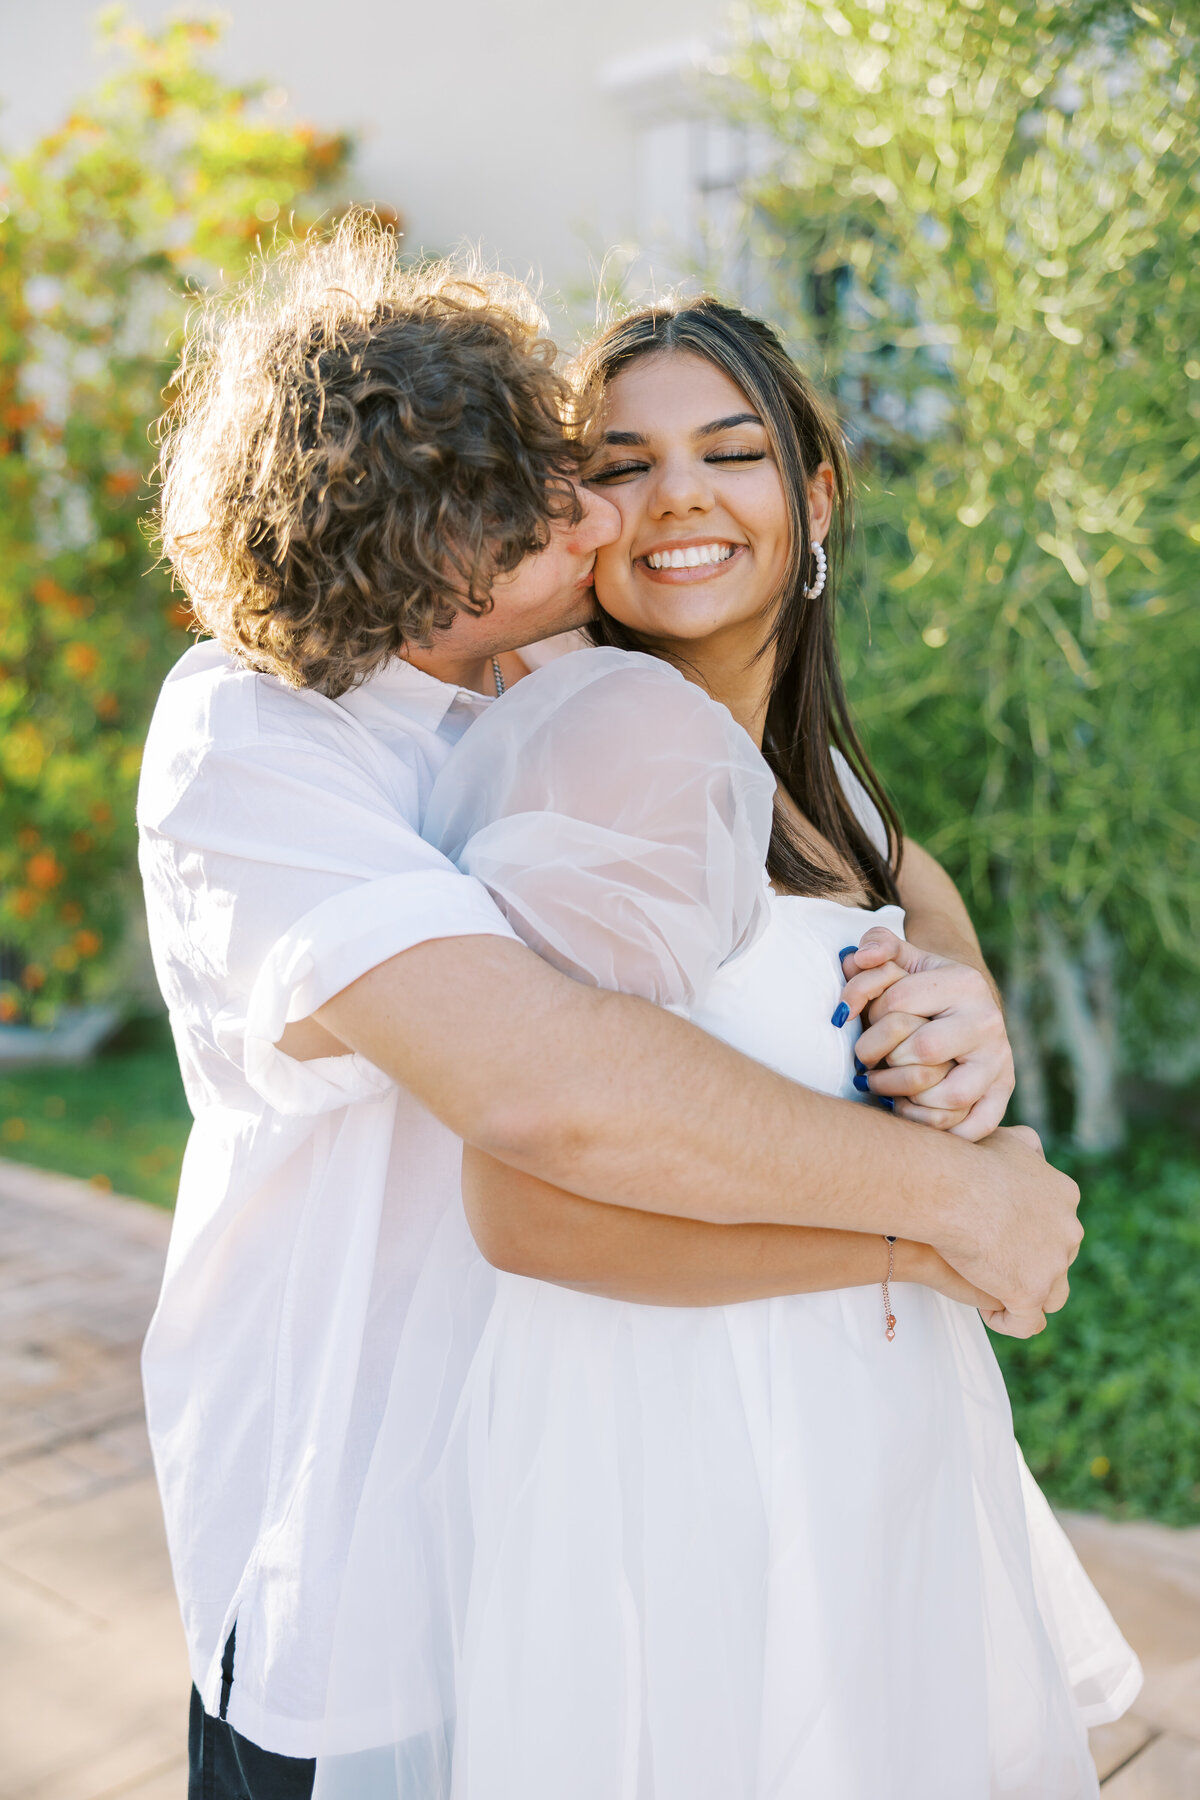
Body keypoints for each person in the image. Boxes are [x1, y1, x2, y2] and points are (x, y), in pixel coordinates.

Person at [140, 215, 1082, 1800]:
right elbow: (550, 1108)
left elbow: (868, 862)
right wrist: (948, 1213)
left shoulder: (611, 690)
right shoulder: (263, 739)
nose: (613, 506)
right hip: (366, 1580)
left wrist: (958, 990)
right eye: (563, 478)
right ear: (435, 539)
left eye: (716, 454)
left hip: (661, 1525)